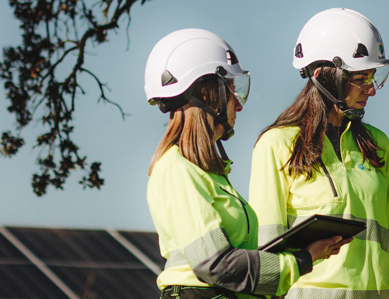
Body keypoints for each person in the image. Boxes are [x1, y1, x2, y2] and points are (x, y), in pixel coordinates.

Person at [144, 28, 351, 299]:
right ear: (206, 94)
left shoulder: (206, 174)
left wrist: (302, 254)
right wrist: (301, 259)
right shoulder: (176, 169)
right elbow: (215, 264)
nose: (238, 105)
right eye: (231, 90)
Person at [247, 8, 389, 299]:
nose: (371, 90)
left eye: (372, 77)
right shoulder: (275, 144)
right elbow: (267, 251)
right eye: (361, 78)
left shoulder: (379, 144)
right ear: (323, 76)